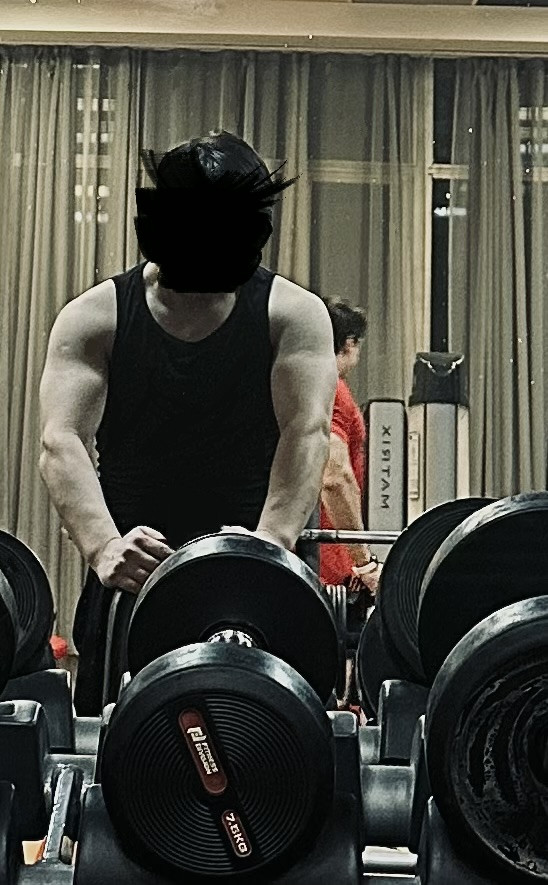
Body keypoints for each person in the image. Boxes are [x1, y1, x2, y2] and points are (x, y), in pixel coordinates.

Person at [39, 131, 337, 714]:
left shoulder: (292, 315)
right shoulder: (95, 316)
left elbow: (307, 432)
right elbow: (60, 440)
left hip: (255, 580)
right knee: (121, 744)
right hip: (134, 576)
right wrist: (103, 547)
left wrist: (270, 544)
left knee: (270, 744)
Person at [319, 300, 380, 595]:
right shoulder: (333, 389)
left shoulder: (299, 385)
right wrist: (365, 563)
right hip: (327, 569)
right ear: (350, 343)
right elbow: (335, 478)